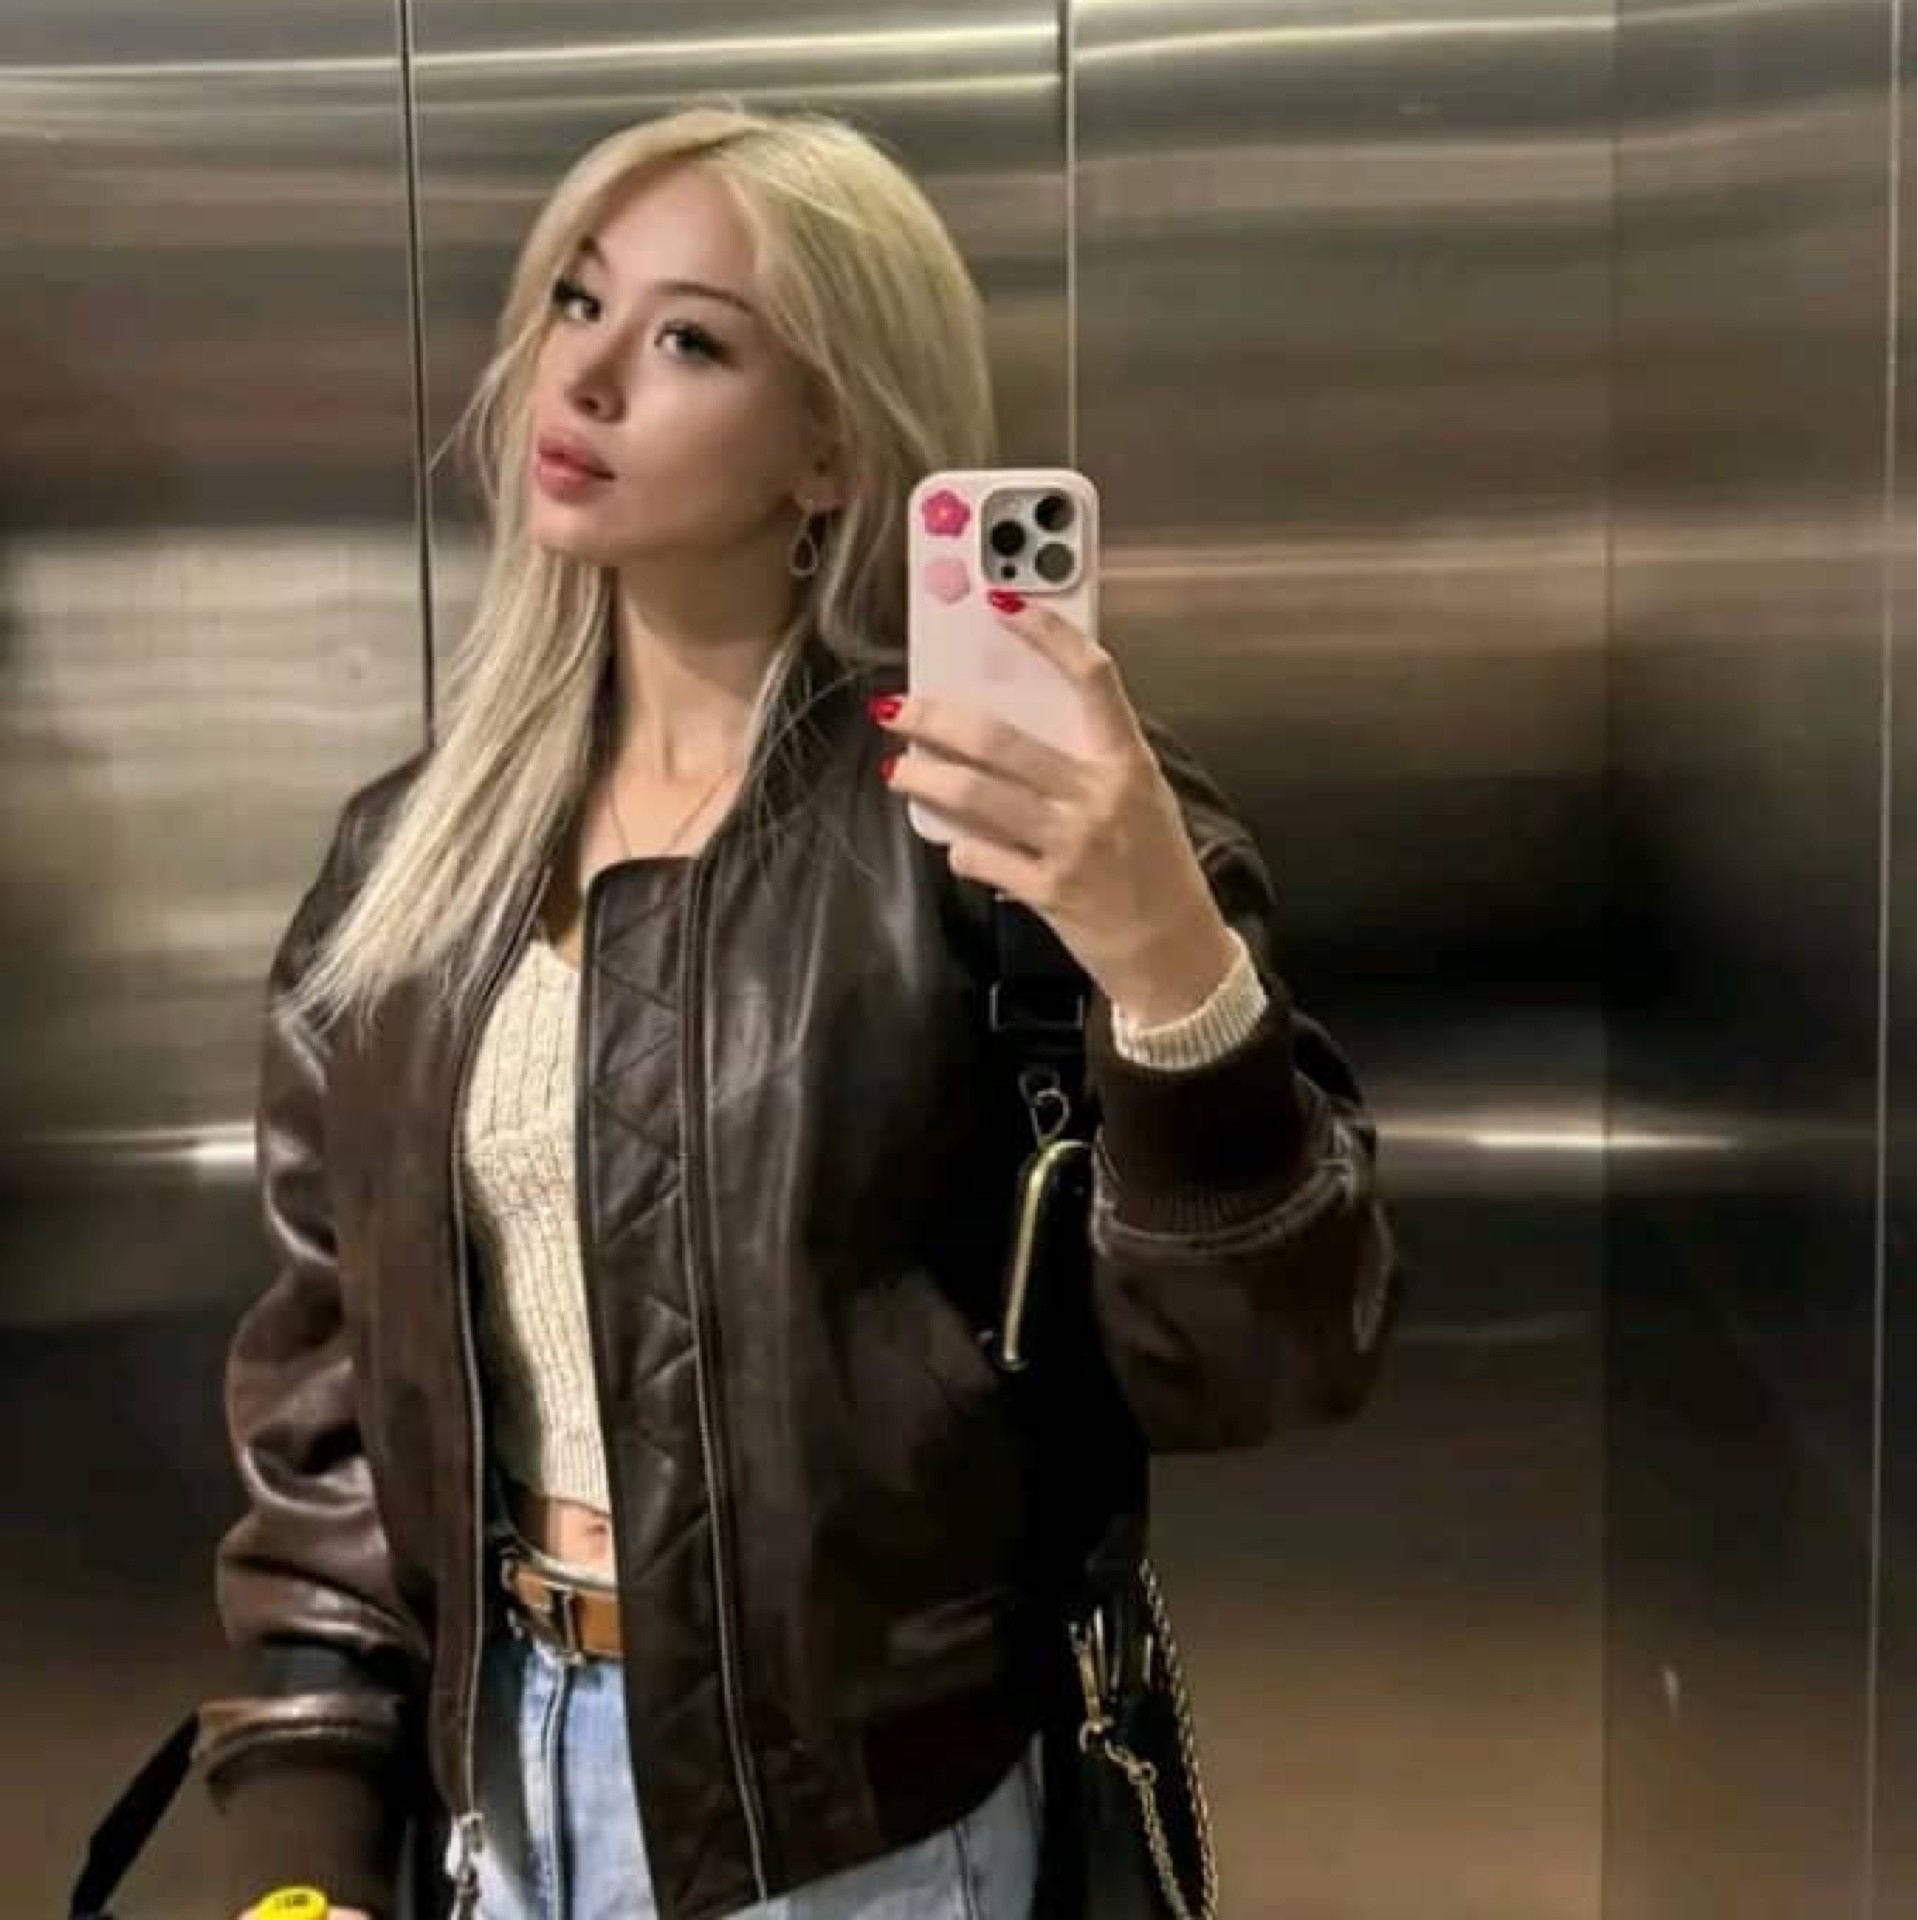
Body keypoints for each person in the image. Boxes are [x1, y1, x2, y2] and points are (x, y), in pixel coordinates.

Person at [202, 103, 1399, 1920]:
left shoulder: (993, 825)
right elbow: (328, 1404)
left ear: (829, 449)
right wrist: (304, 1836)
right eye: (577, 301)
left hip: (866, 1840)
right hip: (489, 1807)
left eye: (690, 339)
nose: (585, 375)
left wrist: (1164, 955)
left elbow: (1267, 1363)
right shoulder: (410, 861)